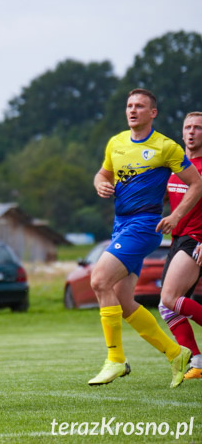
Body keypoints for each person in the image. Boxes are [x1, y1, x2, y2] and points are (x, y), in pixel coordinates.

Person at [89, 89, 202, 387]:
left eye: (140, 106)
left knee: (99, 280)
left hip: (145, 226)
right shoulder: (116, 142)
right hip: (121, 225)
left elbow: (196, 184)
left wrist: (176, 216)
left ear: (153, 113)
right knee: (125, 301)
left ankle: (115, 360)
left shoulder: (166, 146)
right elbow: (102, 174)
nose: (132, 110)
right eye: (129, 105)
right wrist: (101, 183)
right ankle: (176, 353)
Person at [158, 111, 202, 380]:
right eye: (188, 127)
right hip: (177, 240)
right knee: (167, 307)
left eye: (198, 127)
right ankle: (196, 362)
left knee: (169, 299)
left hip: (196, 240)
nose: (192, 132)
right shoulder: (178, 166)